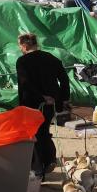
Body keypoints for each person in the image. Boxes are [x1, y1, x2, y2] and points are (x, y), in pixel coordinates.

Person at [16, 32, 70, 178]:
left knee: (34, 135)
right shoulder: (51, 58)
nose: (20, 49)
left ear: (25, 45)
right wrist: (63, 98)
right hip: (50, 104)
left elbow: (25, 83)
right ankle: (49, 159)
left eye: (20, 46)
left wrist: (41, 97)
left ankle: (39, 168)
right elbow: (64, 79)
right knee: (44, 130)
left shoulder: (22, 61)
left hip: (32, 104)